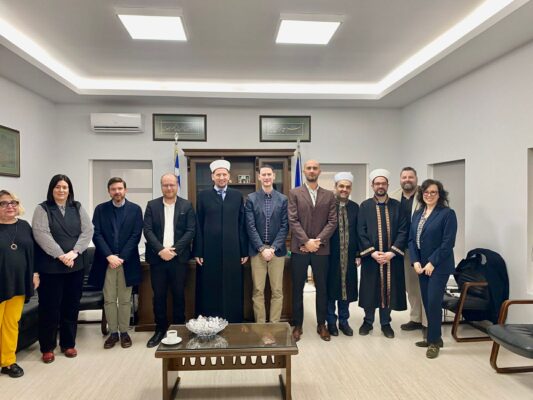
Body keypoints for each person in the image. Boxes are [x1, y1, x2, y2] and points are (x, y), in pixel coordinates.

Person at [32, 174, 94, 363]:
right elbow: (41, 234)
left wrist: (74, 253)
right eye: (58, 187)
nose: (61, 190)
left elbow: (88, 231)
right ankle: (47, 347)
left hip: (75, 266)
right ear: (52, 189)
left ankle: (68, 344)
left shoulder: (77, 207)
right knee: (49, 308)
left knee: (71, 307)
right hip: (51, 268)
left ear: (69, 190)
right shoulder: (42, 209)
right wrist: (61, 255)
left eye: (65, 187)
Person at [89, 177, 143, 349]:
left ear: (125, 190)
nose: (117, 192)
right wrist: (109, 256)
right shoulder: (100, 209)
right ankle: (113, 333)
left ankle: (124, 333)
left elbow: (136, 235)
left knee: (125, 300)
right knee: (110, 300)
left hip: (127, 262)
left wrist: (122, 257)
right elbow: (96, 234)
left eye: (120, 188)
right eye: (113, 189)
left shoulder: (135, 209)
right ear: (109, 191)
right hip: (106, 262)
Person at [144, 173, 195, 348]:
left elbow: (190, 230)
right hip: (158, 259)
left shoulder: (186, 205)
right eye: (165, 185)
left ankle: (179, 329)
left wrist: (174, 250)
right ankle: (160, 330)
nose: (169, 188)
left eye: (172, 184)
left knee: (179, 295)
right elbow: (147, 230)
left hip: (178, 259)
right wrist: (161, 250)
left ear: (177, 185)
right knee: (158, 296)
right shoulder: (152, 205)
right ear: (161, 186)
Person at [288, 160, 337, 342]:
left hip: (321, 250)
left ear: (319, 171)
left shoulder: (329, 195)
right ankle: (297, 325)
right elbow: (293, 220)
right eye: (308, 168)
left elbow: (332, 221)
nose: (311, 170)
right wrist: (306, 241)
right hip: (299, 249)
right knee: (297, 288)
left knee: (322, 288)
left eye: (314, 168)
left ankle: (321, 324)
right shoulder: (295, 193)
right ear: (304, 171)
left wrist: (317, 242)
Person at [194, 160, 248, 323]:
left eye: (224, 174)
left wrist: (243, 250)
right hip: (210, 251)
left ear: (229, 176)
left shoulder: (237, 196)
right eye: (218, 174)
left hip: (233, 250)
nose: (221, 177)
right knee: (210, 286)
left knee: (232, 286)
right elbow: (198, 224)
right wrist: (198, 251)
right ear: (212, 176)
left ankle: (233, 322)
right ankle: (211, 323)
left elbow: (242, 224)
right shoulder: (203, 196)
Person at [409, 179, 457, 358]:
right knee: (427, 302)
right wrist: (415, 261)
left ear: (439, 194)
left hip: (439, 266)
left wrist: (432, 262)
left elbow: (448, 243)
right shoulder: (418, 213)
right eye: (426, 192)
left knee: (434, 303)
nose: (429, 195)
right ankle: (433, 337)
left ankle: (434, 341)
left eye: (433, 192)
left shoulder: (447, 214)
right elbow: (412, 240)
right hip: (421, 266)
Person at [357, 169, 407, 339]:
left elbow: (403, 231)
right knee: (370, 290)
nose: (380, 186)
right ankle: (368, 321)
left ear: (387, 185)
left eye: (383, 183)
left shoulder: (397, 206)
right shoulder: (365, 206)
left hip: (391, 259)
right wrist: (371, 252)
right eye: (377, 183)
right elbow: (360, 231)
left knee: (389, 290)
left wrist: (392, 253)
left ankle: (386, 323)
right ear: (372, 185)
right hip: (372, 258)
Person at [0, 190, 37, 378]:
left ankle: (8, 362)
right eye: (3, 203)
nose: (9, 206)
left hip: (18, 283)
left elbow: (32, 253)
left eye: (13, 202)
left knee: (11, 323)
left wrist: (35, 273)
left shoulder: (24, 226)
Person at [245, 165, 289, 323]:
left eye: (269, 174)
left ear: (274, 176)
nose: (266, 177)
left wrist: (273, 248)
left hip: (277, 252)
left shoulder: (283, 199)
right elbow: (250, 226)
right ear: (259, 177)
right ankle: (261, 325)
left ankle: (274, 325)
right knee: (258, 290)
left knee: (277, 290)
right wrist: (262, 248)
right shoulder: (251, 198)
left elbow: (285, 226)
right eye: (263, 174)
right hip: (258, 252)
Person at [390, 167, 427, 332]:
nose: (407, 180)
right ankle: (416, 318)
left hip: (421, 248)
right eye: (404, 177)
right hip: (401, 247)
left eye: (410, 177)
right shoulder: (393, 196)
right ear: (400, 179)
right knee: (411, 286)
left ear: (416, 178)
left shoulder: (425, 195)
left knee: (424, 286)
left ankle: (428, 322)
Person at [327, 172, 359, 337]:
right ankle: (331, 322)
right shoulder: (327, 205)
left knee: (346, 288)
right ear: (335, 187)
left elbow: (359, 232)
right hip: (330, 255)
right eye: (341, 186)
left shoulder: (355, 207)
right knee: (331, 289)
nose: (344, 189)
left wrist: (359, 254)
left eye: (347, 187)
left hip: (349, 256)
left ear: (351, 189)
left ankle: (344, 321)